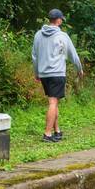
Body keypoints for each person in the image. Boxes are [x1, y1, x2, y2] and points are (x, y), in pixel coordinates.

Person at [32, 9, 83, 142]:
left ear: (49, 19)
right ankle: (47, 134)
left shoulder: (38, 35)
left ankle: (57, 131)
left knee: (53, 102)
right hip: (57, 73)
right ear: (59, 20)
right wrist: (80, 68)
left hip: (44, 74)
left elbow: (35, 56)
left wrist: (36, 72)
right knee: (53, 103)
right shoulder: (63, 36)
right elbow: (73, 54)